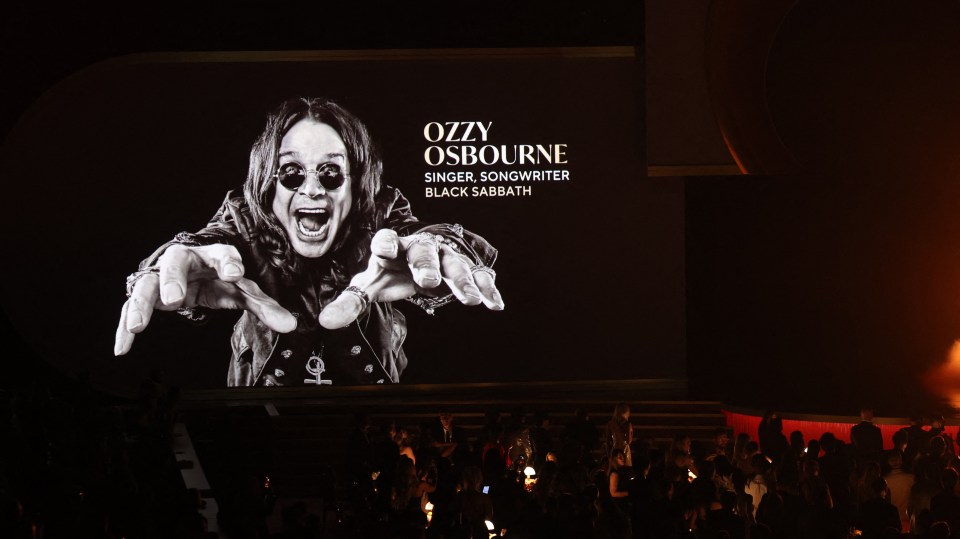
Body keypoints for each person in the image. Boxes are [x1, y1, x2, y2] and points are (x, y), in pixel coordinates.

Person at [114, 97, 504, 386]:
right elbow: (209, 241)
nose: (312, 189)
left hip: (370, 405)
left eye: (331, 173)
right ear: (269, 184)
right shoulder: (245, 217)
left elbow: (415, 233)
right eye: (291, 173)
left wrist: (437, 246)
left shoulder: (378, 212)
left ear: (354, 184)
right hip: (260, 404)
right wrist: (168, 264)